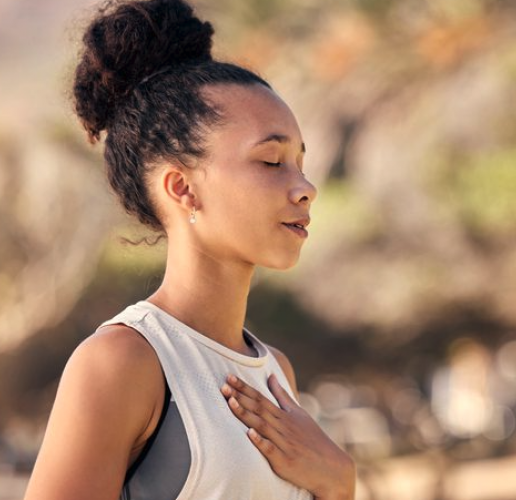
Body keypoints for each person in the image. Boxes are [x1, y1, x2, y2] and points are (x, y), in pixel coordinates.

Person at [22, 0, 356, 499]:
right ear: (182, 189)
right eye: (270, 161)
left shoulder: (275, 372)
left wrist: (339, 484)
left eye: (299, 162)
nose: (304, 186)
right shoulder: (124, 362)